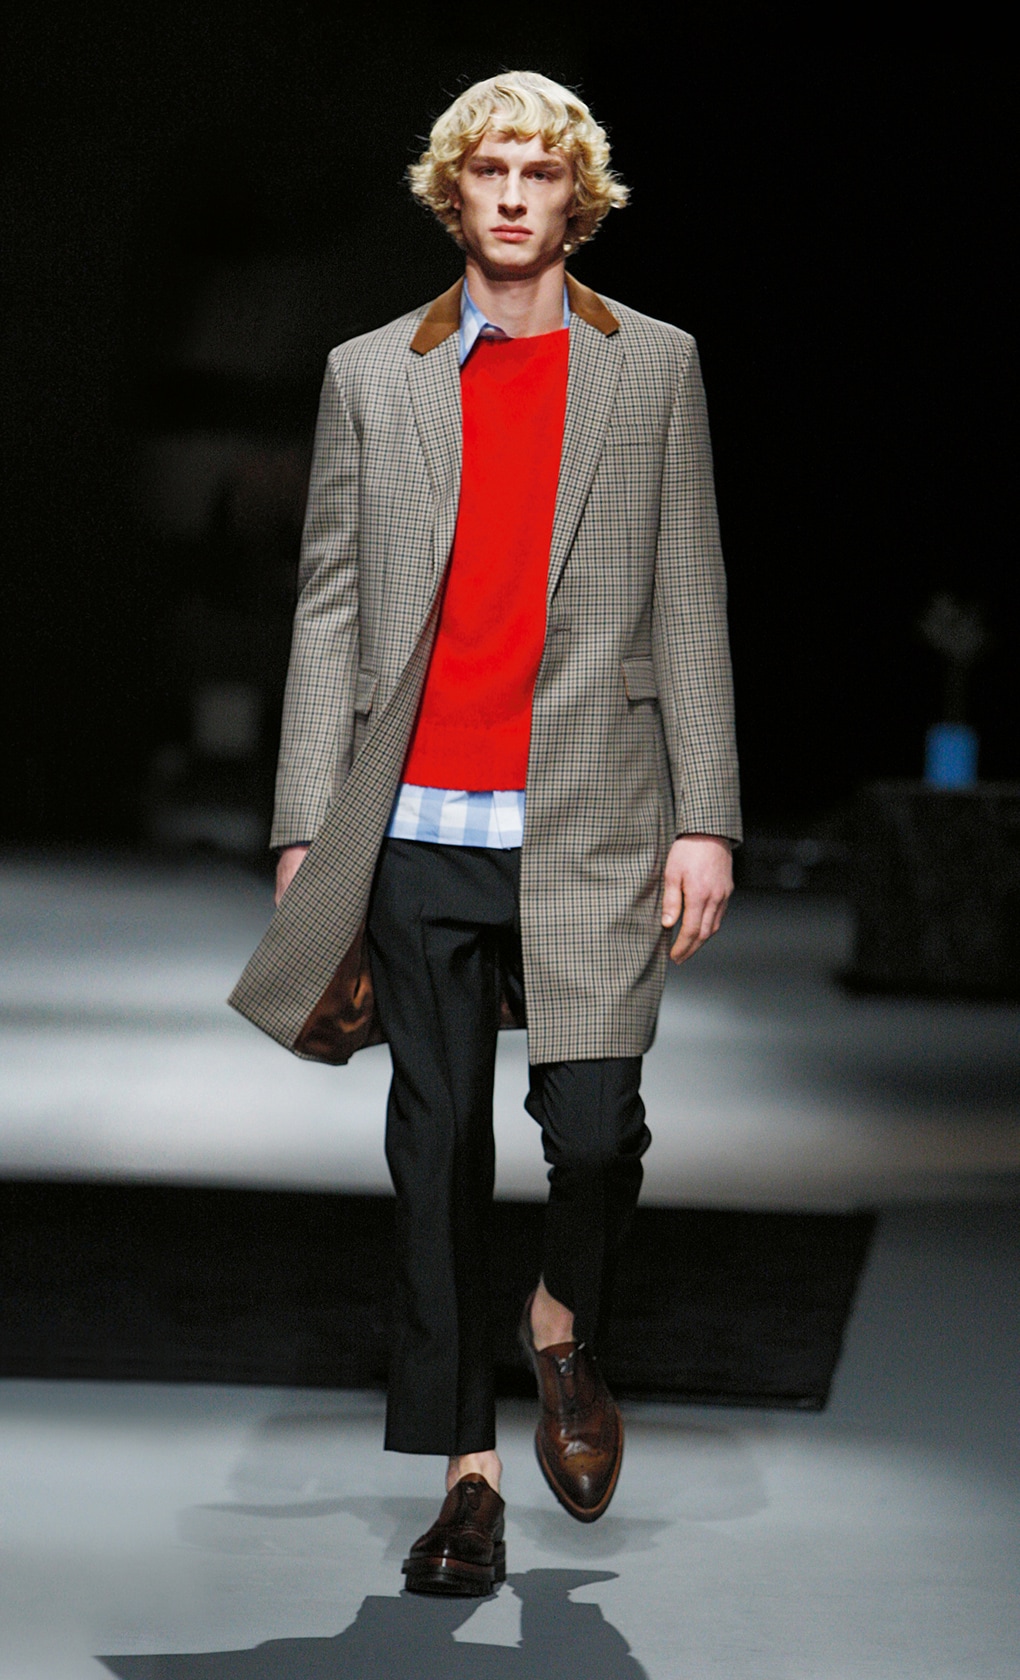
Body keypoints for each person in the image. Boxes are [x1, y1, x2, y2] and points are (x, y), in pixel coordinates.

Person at [230, 70, 741, 1597]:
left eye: (541, 172)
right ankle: (467, 1477)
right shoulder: (370, 375)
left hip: (593, 817)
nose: (515, 196)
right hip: (417, 822)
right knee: (437, 1150)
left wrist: (706, 815)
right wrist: (307, 821)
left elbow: (691, 594)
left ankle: (563, 1324)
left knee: (594, 1135)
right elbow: (330, 604)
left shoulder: (652, 366)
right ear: (451, 192)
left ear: (579, 196)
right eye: (490, 171)